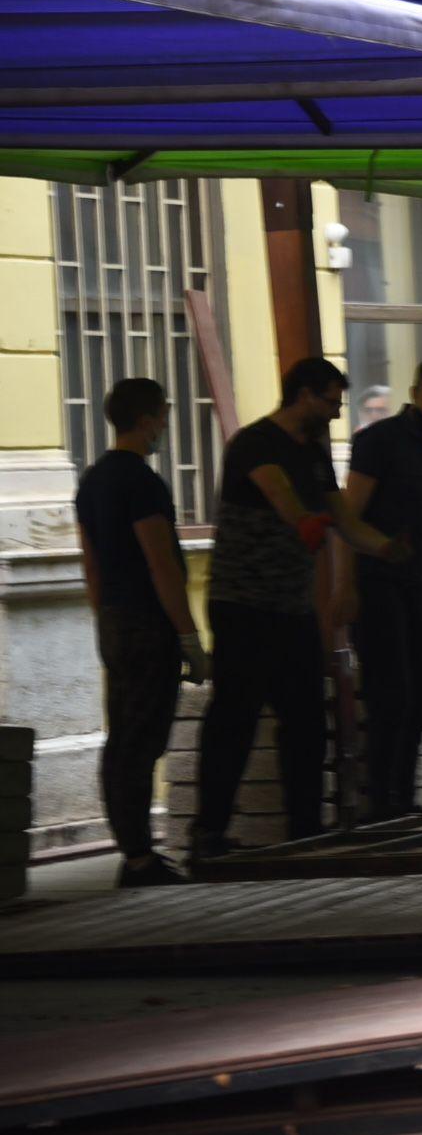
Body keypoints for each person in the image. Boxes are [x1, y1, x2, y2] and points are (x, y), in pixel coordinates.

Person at [196, 358, 408, 859]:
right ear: (304, 395)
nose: (336, 413)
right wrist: (303, 523)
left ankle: (306, 831)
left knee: (307, 722)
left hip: (290, 608)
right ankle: (208, 836)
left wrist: (383, 547)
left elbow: (340, 516)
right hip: (242, 605)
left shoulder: (314, 451)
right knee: (235, 718)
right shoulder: (254, 443)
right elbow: (282, 496)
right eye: (331, 401)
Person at [74, 379, 207, 887]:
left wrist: (105, 617)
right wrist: (189, 638)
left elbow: (91, 566)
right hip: (149, 626)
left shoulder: (92, 481)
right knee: (142, 741)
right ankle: (139, 861)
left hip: (114, 621)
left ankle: (134, 854)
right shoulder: (143, 484)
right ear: (149, 418)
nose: (165, 427)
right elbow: (162, 567)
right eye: (164, 417)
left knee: (123, 737)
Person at [341, 359, 422, 821]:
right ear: (414, 393)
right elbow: (348, 518)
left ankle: (402, 797)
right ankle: (381, 802)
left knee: (420, 703)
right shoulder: (378, 442)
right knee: (389, 697)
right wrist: (346, 588)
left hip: (421, 589)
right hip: (378, 585)